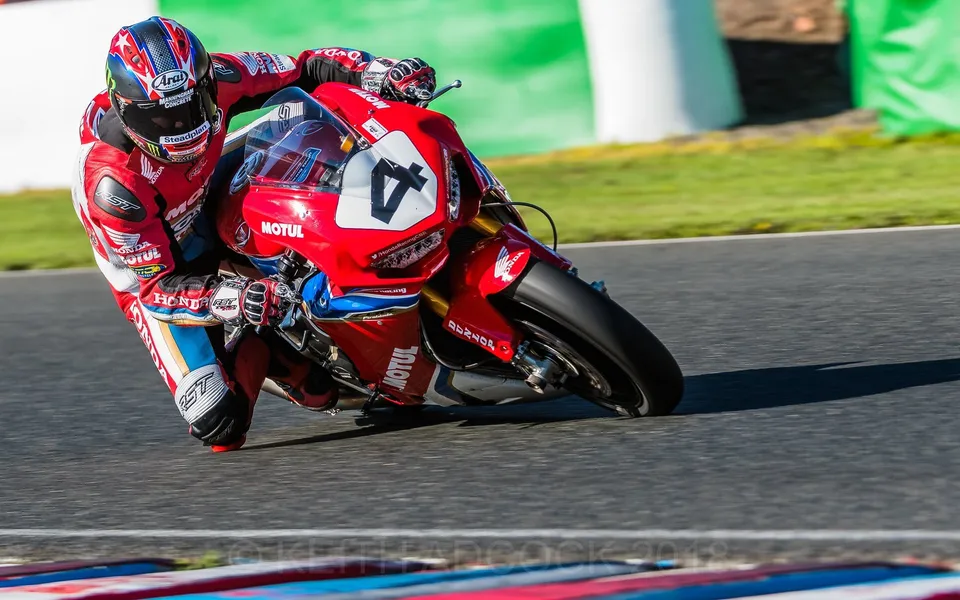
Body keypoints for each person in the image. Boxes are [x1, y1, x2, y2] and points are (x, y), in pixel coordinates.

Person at [71, 16, 437, 452]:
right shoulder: (113, 184)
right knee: (220, 420)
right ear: (127, 112)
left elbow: (305, 67)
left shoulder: (221, 76)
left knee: (318, 157)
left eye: (192, 106)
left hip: (208, 190)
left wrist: (378, 71)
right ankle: (272, 349)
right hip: (158, 266)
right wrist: (234, 300)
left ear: (204, 83)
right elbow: (156, 288)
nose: (183, 126)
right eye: (163, 120)